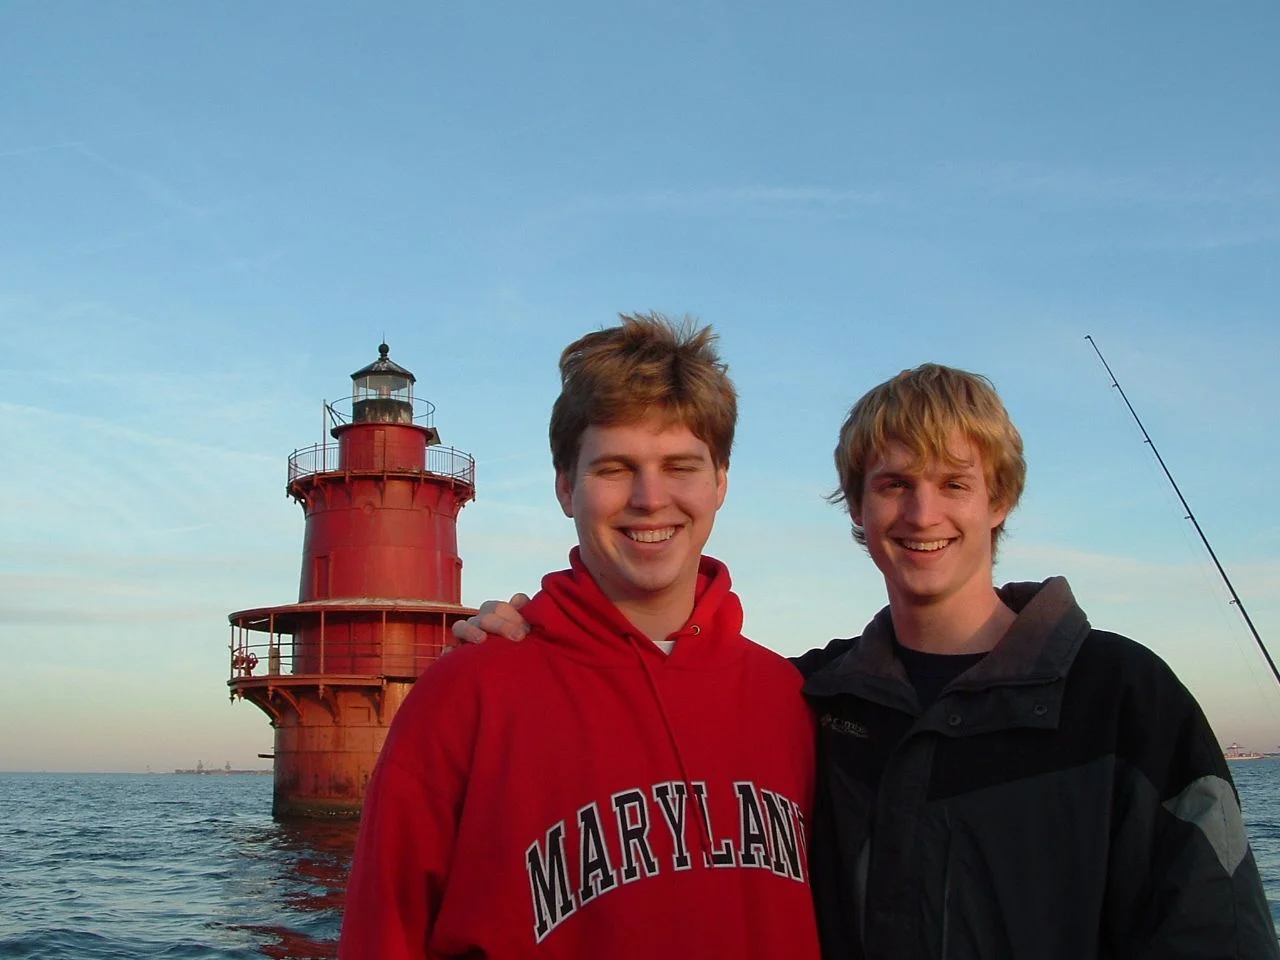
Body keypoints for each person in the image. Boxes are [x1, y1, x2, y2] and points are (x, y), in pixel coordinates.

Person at [458, 362, 1279, 959]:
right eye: (893, 485)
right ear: (857, 504)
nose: (923, 514)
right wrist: (542, 632)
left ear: (999, 500)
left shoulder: (1125, 696)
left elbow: (1216, 931)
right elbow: (667, 695)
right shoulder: (811, 697)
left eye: (955, 484)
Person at [339, 314, 821, 959]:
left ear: (720, 483)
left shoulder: (789, 697)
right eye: (614, 468)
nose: (651, 498)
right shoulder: (465, 695)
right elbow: (383, 935)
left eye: (680, 466)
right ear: (566, 486)